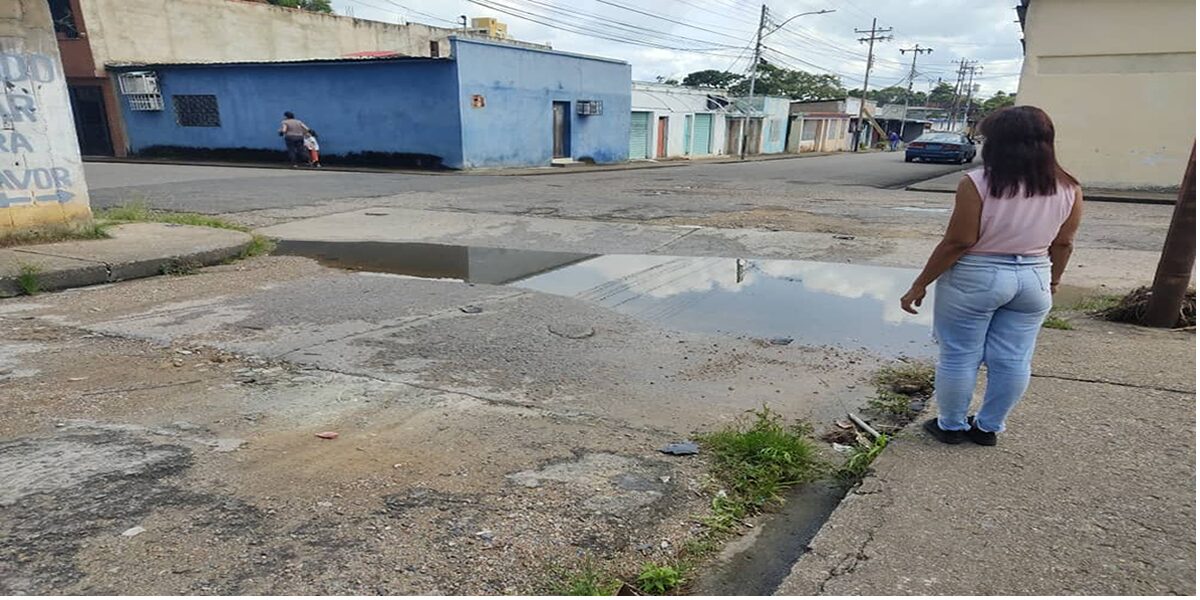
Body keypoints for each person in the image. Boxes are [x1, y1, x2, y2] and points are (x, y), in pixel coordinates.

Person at [899, 105, 1083, 447]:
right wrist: (1054, 280)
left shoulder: (978, 182)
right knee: (1013, 358)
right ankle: (988, 428)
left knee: (959, 354)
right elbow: (1064, 243)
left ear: (997, 143)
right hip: (1034, 277)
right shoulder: (1069, 186)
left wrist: (920, 284)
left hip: (977, 276)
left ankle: (951, 426)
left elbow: (959, 241)